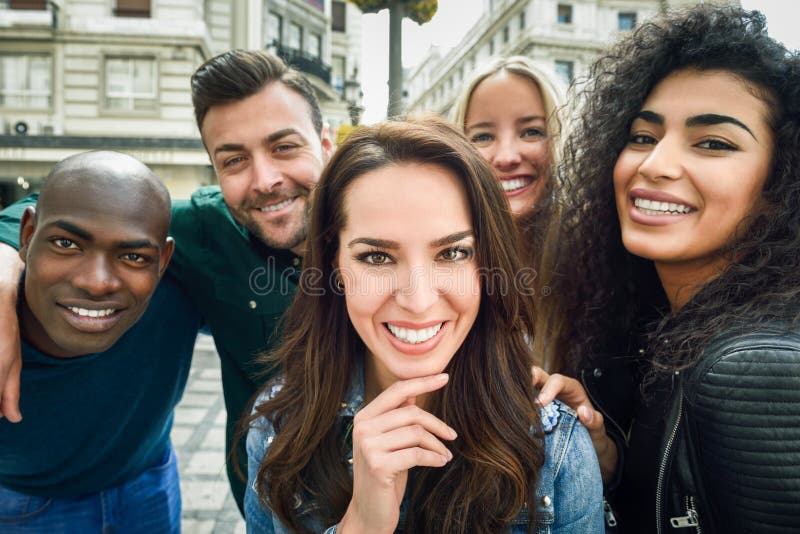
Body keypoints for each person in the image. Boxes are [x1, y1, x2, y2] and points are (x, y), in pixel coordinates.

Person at [0, 49, 333, 512]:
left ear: (326, 142)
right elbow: (59, 210)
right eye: (234, 160)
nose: (264, 180)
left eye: (283, 147)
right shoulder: (204, 229)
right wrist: (2, 267)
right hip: (271, 504)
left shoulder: (383, 223)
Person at [244, 116, 604, 533]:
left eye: (452, 253)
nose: (418, 301)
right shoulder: (278, 426)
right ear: (335, 266)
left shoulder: (556, 445)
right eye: (377, 257)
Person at [533, 6, 800, 532]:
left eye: (713, 143)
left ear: (780, 186)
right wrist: (606, 458)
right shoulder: (666, 327)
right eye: (642, 136)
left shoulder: (756, 369)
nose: (654, 164)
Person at [0, 151, 200, 532]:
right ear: (27, 235)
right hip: (19, 503)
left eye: (132, 256)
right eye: (66, 244)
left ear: (164, 261)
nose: (96, 282)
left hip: (149, 484)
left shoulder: (180, 291)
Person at [452, 57, 567, 370]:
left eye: (531, 131)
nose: (506, 157)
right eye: (483, 136)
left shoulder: (599, 268)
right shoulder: (438, 263)